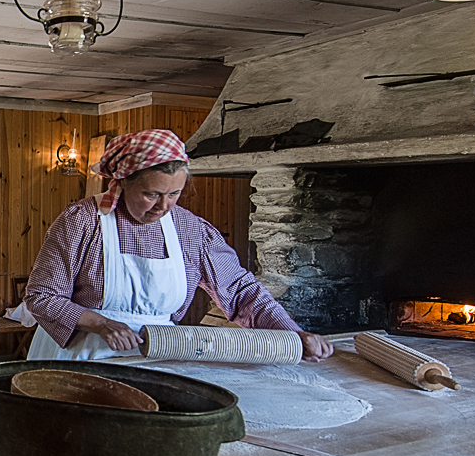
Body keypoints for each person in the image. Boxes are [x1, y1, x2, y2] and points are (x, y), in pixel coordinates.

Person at [24, 129, 333, 361]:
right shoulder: (84, 220)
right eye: (151, 194)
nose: (163, 207)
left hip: (157, 355)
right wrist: (102, 324)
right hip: (80, 357)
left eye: (174, 194)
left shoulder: (190, 230)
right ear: (122, 182)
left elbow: (241, 291)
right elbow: (42, 296)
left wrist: (293, 335)